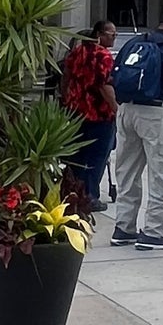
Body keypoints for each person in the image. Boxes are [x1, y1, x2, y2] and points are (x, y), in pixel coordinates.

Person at [110, 9, 163, 251]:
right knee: (160, 175)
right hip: (157, 112)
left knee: (126, 172)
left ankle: (124, 228)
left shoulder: (133, 44)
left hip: (127, 110)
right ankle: (153, 232)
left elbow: (113, 78)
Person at [59, 19, 117, 207]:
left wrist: (65, 99)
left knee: (77, 156)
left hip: (76, 111)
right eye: (111, 34)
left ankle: (71, 194)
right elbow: (104, 85)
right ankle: (90, 197)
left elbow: (66, 76)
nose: (114, 37)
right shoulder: (103, 56)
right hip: (99, 114)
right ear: (98, 34)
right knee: (97, 157)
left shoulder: (77, 52)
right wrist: (116, 109)